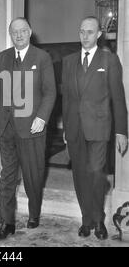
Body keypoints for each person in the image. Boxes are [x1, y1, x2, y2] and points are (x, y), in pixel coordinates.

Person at [0, 17, 56, 240]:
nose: (18, 35)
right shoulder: (3, 57)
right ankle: (6, 223)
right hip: (6, 128)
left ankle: (34, 213)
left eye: (23, 31)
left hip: (32, 128)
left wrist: (42, 118)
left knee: (32, 175)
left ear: (30, 32)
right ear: (11, 34)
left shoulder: (42, 57)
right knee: (7, 175)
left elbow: (50, 92)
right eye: (14, 32)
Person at [62, 16, 128, 240]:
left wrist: (121, 131)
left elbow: (118, 99)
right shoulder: (69, 61)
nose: (85, 36)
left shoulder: (109, 60)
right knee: (80, 176)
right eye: (82, 31)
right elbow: (67, 99)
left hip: (99, 127)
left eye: (90, 32)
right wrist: (65, 126)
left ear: (99, 34)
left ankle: (99, 220)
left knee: (96, 174)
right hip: (75, 128)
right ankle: (86, 220)